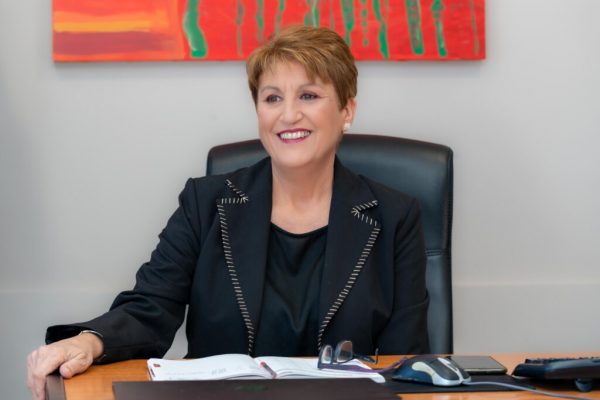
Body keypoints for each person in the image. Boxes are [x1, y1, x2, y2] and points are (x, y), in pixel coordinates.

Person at [27, 25, 429, 399]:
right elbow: (150, 308)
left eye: (308, 95)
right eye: (272, 98)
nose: (288, 115)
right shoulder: (206, 203)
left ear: (347, 110)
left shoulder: (394, 217)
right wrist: (89, 340)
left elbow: (405, 359)